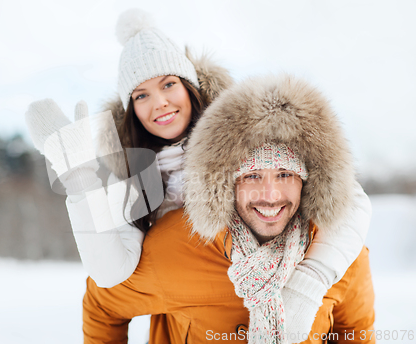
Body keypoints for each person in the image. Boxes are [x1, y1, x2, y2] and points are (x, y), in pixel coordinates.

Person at [25, 9, 371, 336]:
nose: (159, 101)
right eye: (141, 94)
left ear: (190, 86)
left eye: (168, 84)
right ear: (131, 110)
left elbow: (349, 198)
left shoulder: (244, 135)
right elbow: (109, 274)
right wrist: (80, 177)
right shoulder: (135, 180)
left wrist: (310, 280)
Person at [82, 74, 375, 343]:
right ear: (227, 183)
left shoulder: (339, 250)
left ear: (307, 180)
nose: (270, 196)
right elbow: (103, 305)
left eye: (285, 174)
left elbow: (354, 333)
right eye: (252, 176)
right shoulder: (178, 244)